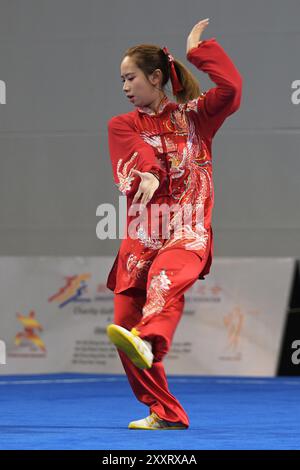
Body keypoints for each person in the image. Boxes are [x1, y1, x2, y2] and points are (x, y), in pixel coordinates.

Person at [105, 18, 242, 430]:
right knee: (122, 327)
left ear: (157, 77)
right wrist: (146, 173)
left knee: (165, 281)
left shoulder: (196, 117)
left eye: (131, 78)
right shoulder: (123, 123)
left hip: (187, 228)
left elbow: (232, 90)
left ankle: (150, 339)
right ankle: (166, 413)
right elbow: (133, 155)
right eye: (121, 79)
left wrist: (201, 53)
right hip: (141, 239)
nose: (126, 86)